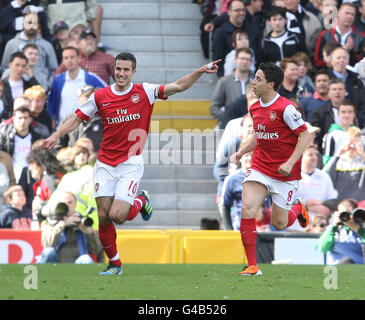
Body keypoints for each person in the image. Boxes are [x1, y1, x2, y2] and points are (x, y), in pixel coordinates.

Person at [42, 52, 221, 275]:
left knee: (118, 215)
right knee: (104, 216)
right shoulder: (100, 96)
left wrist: (200, 72)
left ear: (133, 72)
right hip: (105, 164)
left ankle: (140, 199)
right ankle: (115, 264)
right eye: (118, 69)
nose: (121, 73)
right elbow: (77, 117)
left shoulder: (144, 91)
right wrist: (55, 135)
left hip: (129, 163)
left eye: (126, 69)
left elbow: (178, 86)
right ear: (114, 70)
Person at [230, 62, 312, 275]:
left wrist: (290, 162)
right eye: (254, 77)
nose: (253, 82)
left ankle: (297, 209)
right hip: (260, 167)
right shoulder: (254, 107)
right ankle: (252, 266)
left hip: (285, 174)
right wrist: (241, 152)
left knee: (280, 223)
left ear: (271, 84)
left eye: (258, 79)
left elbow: (305, 135)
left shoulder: (286, 108)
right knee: (248, 208)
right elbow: (258, 135)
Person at [47, 46, 107, 126]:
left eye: (72, 57)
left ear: (78, 58)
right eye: (66, 58)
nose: (69, 60)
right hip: (63, 126)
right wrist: (53, 118)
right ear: (63, 61)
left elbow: (107, 95)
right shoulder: (58, 80)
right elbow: (51, 101)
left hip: (85, 126)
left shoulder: (91, 78)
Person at [37, 192, 102, 264]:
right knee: (49, 251)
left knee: (86, 259)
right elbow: (47, 244)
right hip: (55, 261)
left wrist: (90, 233)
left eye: (70, 202)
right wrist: (63, 224)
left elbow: (96, 250)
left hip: (75, 262)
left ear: (75, 204)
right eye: (63, 203)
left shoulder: (80, 220)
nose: (67, 205)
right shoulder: (51, 220)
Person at [1, 11, 58, 87]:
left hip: (40, 90)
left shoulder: (47, 45)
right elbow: (5, 67)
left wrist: (48, 85)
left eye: (34, 23)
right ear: (23, 24)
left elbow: (54, 70)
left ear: (38, 26)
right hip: (16, 89)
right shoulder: (11, 44)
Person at [288, 144, 338, 231]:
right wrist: (308, 207)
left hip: (320, 228)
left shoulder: (324, 176)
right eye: (310, 155)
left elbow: (334, 202)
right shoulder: (291, 177)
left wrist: (319, 202)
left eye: (315, 154)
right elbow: (285, 204)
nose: (314, 157)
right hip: (297, 228)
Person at [210, 47, 253, 128]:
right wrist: (228, 118)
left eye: (247, 59)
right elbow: (214, 108)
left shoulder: (256, 82)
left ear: (251, 62)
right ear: (236, 60)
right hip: (230, 128)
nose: (245, 61)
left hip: (251, 128)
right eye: (242, 58)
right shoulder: (224, 81)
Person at [314, 3, 365, 67]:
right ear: (338, 13)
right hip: (328, 74)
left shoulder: (361, 36)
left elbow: (362, 62)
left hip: (352, 75)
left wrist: (351, 51)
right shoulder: (325, 34)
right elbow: (317, 61)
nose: (350, 16)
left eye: (352, 14)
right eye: (347, 13)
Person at [316, 198, 365, 264]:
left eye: (350, 213)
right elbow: (322, 248)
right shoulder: (334, 230)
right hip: (338, 270)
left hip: (358, 270)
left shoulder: (362, 229)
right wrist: (333, 227)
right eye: (343, 213)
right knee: (346, 261)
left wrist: (358, 229)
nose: (347, 216)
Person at [323, 126, 365, 202]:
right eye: (350, 143)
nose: (352, 147)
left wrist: (362, 155)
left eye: (355, 143)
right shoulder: (338, 162)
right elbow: (324, 176)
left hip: (360, 204)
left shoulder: (362, 163)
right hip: (340, 203)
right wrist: (338, 155)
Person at [0, 106, 42, 181]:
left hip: (32, 176)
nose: (22, 121)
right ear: (13, 119)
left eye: (25, 118)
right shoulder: (5, 139)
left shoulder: (37, 138)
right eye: (19, 118)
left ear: (30, 119)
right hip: (12, 176)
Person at [329, 47, 365, 126]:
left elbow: (363, 104)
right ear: (331, 61)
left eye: (344, 58)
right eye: (338, 58)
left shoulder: (356, 80)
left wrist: (360, 121)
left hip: (356, 123)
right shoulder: (326, 78)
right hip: (331, 122)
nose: (341, 60)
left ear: (348, 61)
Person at [309, 78, 348, 154]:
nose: (337, 92)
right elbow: (316, 136)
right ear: (329, 93)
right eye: (334, 89)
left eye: (340, 89)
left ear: (345, 92)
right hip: (327, 153)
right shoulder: (320, 112)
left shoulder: (352, 110)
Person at [212, 0, 247, 76]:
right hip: (228, 77)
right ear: (228, 12)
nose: (241, 13)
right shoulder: (220, 32)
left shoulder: (252, 29)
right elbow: (218, 58)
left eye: (243, 10)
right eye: (237, 10)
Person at [1, 52, 38, 121]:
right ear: (10, 65)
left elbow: (39, 94)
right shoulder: (2, 85)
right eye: (17, 65)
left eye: (23, 66)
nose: (20, 69)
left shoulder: (28, 86)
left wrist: (32, 77)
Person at [322, 100, 357, 165]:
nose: (346, 115)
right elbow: (326, 160)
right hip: (338, 173)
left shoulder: (359, 134)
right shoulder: (332, 135)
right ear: (338, 114)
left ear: (354, 114)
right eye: (343, 112)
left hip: (358, 172)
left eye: (350, 112)